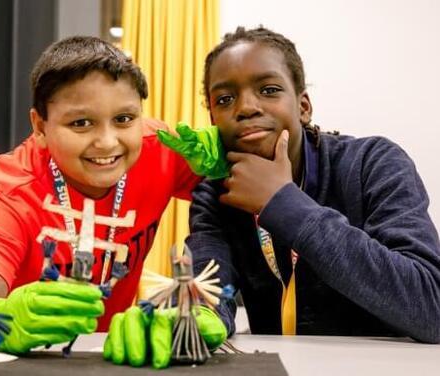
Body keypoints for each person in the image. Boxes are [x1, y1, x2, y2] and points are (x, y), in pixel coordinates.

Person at [165, 26, 440, 343]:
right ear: (213, 121)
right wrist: (194, 316)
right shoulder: (215, 193)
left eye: (268, 90)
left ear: (303, 107)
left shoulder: (373, 163)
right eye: (225, 99)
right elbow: (207, 281)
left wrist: (282, 203)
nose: (245, 108)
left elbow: (430, 306)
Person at [0, 36, 205, 354]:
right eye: (81, 123)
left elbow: (242, 191)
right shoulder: (8, 190)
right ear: (40, 127)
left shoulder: (161, 148)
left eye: (124, 119)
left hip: (117, 356)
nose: (108, 142)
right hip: (28, 363)